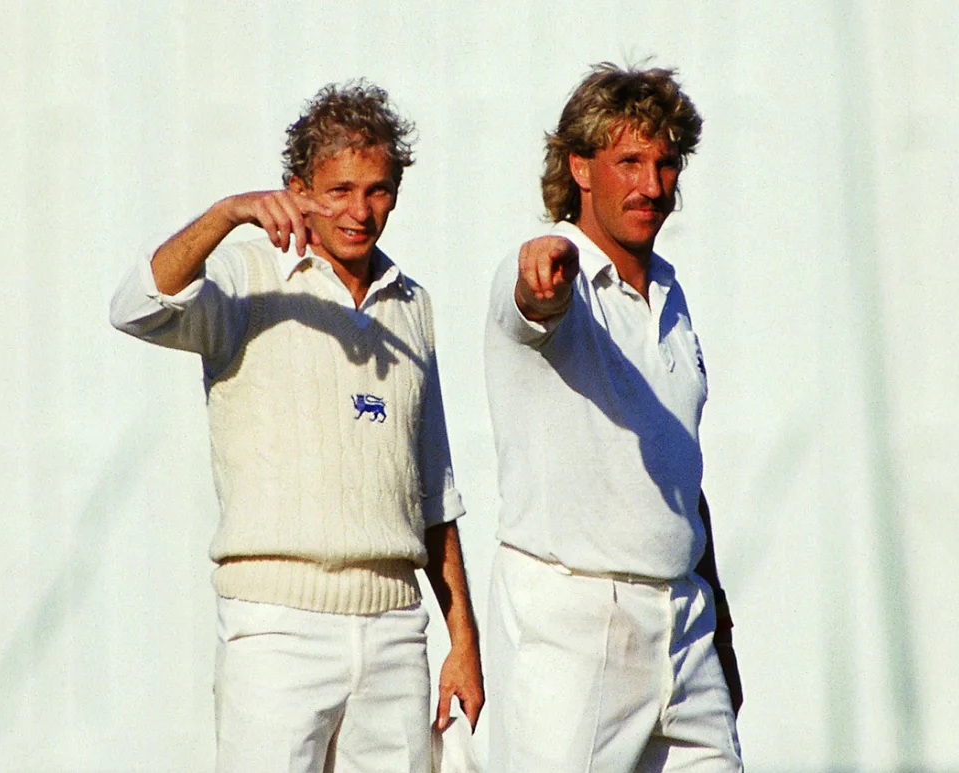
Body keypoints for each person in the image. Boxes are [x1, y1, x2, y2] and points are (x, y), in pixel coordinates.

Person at [110, 80, 483, 773]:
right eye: (338, 189)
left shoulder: (411, 303)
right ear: (297, 187)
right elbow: (136, 305)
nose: (360, 210)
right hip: (276, 623)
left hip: (396, 629)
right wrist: (227, 214)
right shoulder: (245, 278)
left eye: (376, 189)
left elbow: (434, 487)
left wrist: (463, 640)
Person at [483, 62, 744, 773]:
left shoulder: (670, 290)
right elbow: (531, 302)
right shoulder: (552, 269)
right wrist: (539, 277)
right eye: (629, 161)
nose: (652, 185)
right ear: (581, 166)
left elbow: (679, 466)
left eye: (665, 164)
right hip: (578, 626)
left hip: (684, 625)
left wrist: (717, 623)